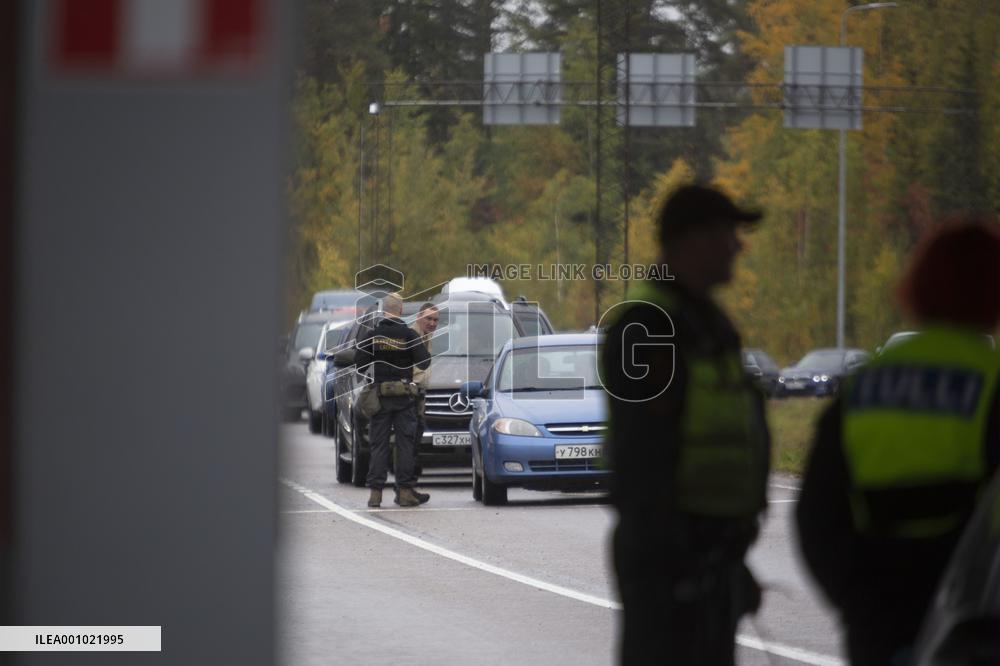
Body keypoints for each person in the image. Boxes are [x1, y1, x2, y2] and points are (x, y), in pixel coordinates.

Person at [796, 217, 1000, 666]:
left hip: (878, 620)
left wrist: (856, 603)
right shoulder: (990, 381)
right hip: (972, 621)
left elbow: (815, 515)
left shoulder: (865, 385)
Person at [600, 184, 771, 665]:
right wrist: (677, 563)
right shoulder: (647, 324)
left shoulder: (710, 322)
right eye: (726, 234)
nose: (737, 246)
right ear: (690, 241)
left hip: (714, 553)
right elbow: (641, 453)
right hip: (668, 559)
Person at [355, 292, 432, 508]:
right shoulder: (408, 334)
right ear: (400, 310)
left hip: (379, 398)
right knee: (404, 444)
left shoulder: (373, 335)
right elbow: (424, 362)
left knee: (378, 445)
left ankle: (375, 494)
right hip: (404, 399)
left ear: (383, 310)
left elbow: (360, 364)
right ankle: (405, 492)